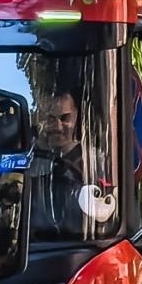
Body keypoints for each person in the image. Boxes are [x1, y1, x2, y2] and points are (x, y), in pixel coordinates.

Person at [31, 90, 87, 235]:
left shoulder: (94, 162)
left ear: (75, 117)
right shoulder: (30, 160)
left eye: (64, 118)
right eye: (50, 119)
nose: (57, 126)